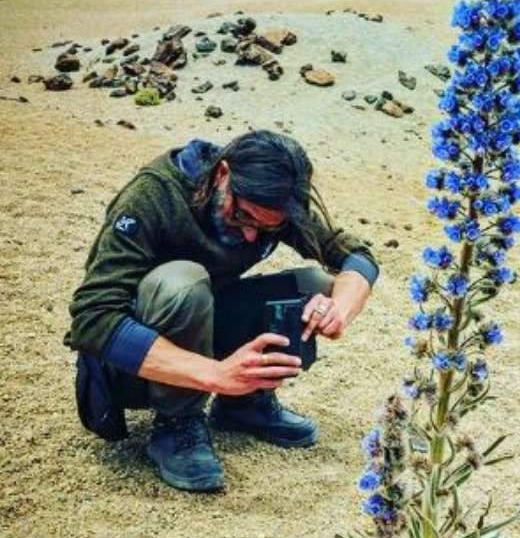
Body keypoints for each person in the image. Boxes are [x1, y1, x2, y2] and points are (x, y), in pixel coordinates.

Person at [65, 130, 378, 493]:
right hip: (130, 364)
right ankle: (176, 421)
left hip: (202, 321)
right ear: (222, 174)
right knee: (183, 283)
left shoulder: (274, 201)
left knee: (316, 284)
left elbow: (357, 257)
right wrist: (215, 374)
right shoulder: (154, 196)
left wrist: (338, 310)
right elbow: (93, 319)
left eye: (266, 227)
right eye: (242, 215)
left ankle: (242, 405)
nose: (250, 235)